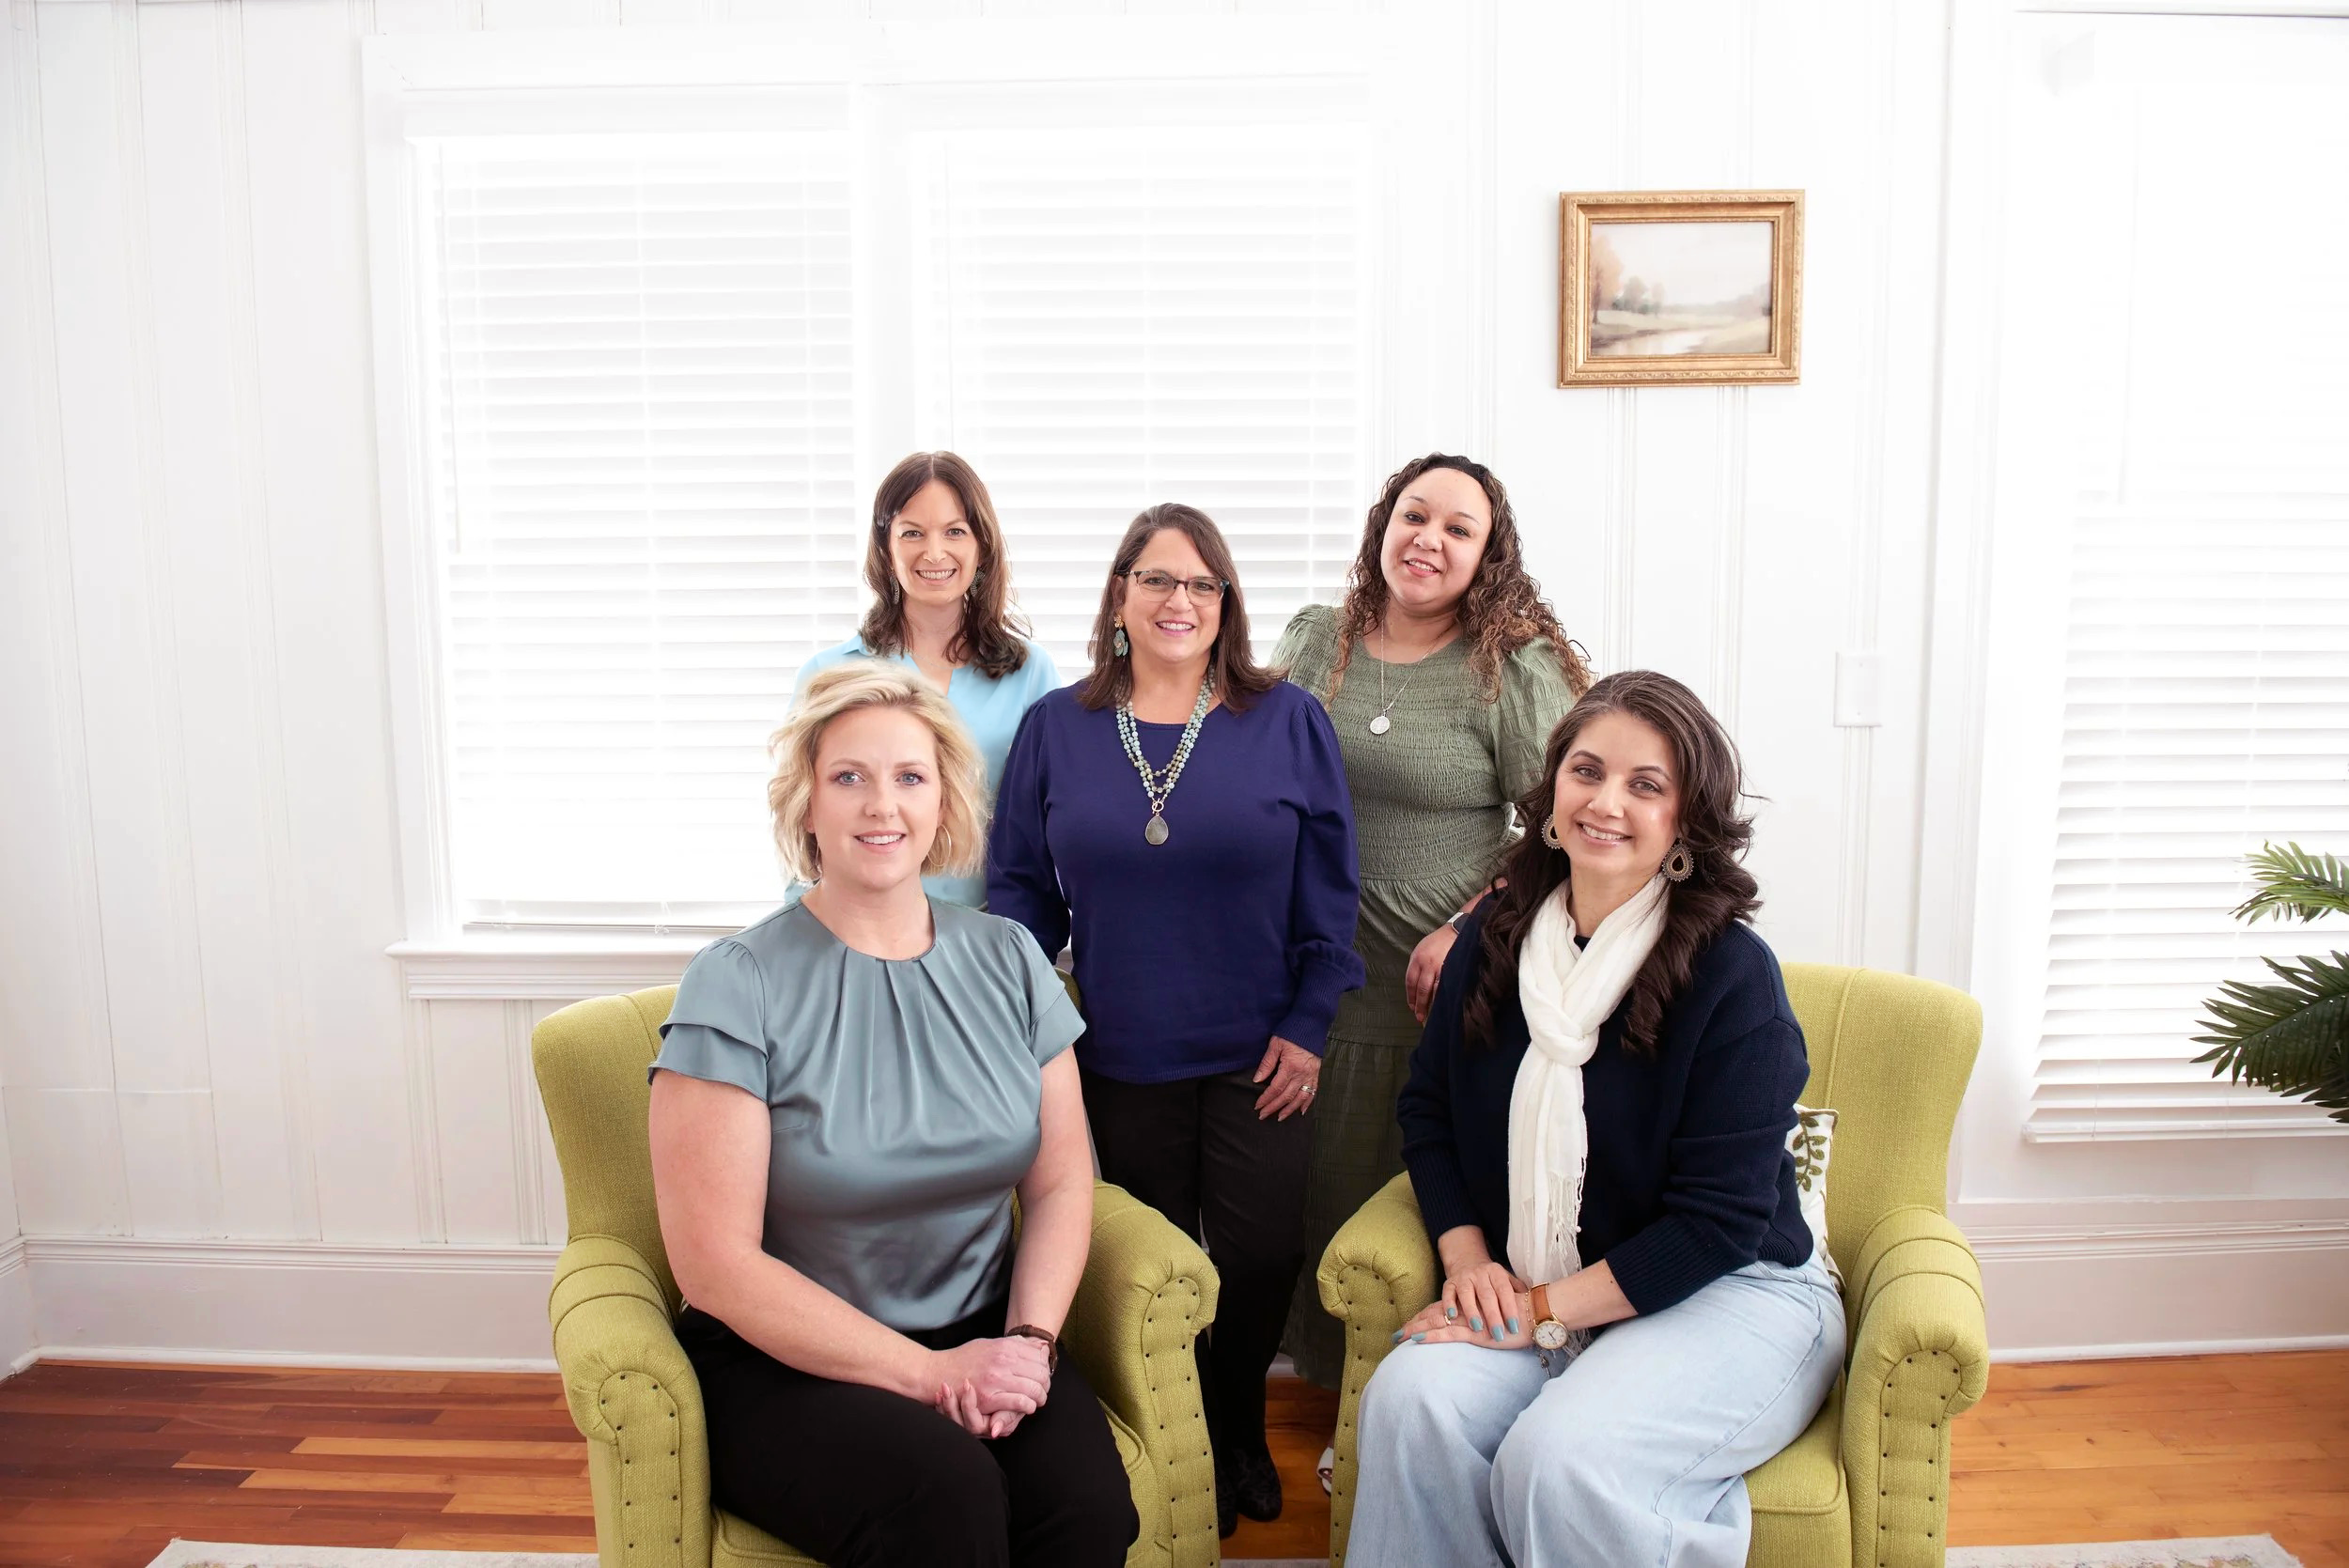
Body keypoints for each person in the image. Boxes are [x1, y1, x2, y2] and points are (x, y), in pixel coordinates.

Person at [1348, 671, 1843, 1568]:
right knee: (1409, 1400)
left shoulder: (1734, 978)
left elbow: (1719, 1224)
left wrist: (1535, 1309)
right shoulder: (1493, 941)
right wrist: (1468, 1263)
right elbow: (1428, 1110)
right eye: (1587, 771)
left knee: (1561, 1458)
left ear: (1685, 821)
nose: (1606, 802)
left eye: (1645, 784)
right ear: (1552, 794)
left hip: (1733, 1290)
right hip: (1543, 1277)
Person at [648, 662, 1134, 1568]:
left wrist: (1027, 1342)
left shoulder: (1012, 958)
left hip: (983, 1323)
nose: (882, 805)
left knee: (1089, 1512)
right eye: (849, 776)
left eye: (910, 776)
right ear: (807, 804)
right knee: (946, 1500)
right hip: (783, 1357)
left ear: (942, 802)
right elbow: (714, 1263)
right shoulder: (737, 981)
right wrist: (931, 1374)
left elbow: (1065, 1179)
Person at [988, 504, 1365, 1539]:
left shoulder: (1286, 720)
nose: (1178, 600)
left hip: (1265, 1053)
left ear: (1226, 603)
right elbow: (1020, 889)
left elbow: (1331, 890)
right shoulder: (1057, 728)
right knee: (1153, 1269)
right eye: (1156, 578)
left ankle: (1238, 1428)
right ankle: (1181, 1435)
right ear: (1120, 594)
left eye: (1202, 583)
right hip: (1118, 1055)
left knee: (1259, 1258)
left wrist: (1309, 1021)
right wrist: (1021, 1008)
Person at [1273, 453, 1591, 1468]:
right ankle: (1340, 1408)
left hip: (1438, 989)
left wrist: (1465, 926)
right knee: (1311, 1201)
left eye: (1460, 528)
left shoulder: (1512, 666)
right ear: (1383, 524)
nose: (1430, 540)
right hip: (1307, 977)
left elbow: (1562, 827)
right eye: (1415, 515)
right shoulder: (1316, 638)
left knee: (1418, 1198)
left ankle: (1409, 1419)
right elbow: (1256, 775)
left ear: (1487, 554)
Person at [795, 451, 1061, 907]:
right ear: (886, 549)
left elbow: (1053, 822)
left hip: (993, 926)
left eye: (955, 531)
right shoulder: (829, 674)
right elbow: (799, 821)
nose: (934, 553)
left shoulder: (1031, 672)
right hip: (859, 923)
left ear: (982, 546)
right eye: (912, 533)